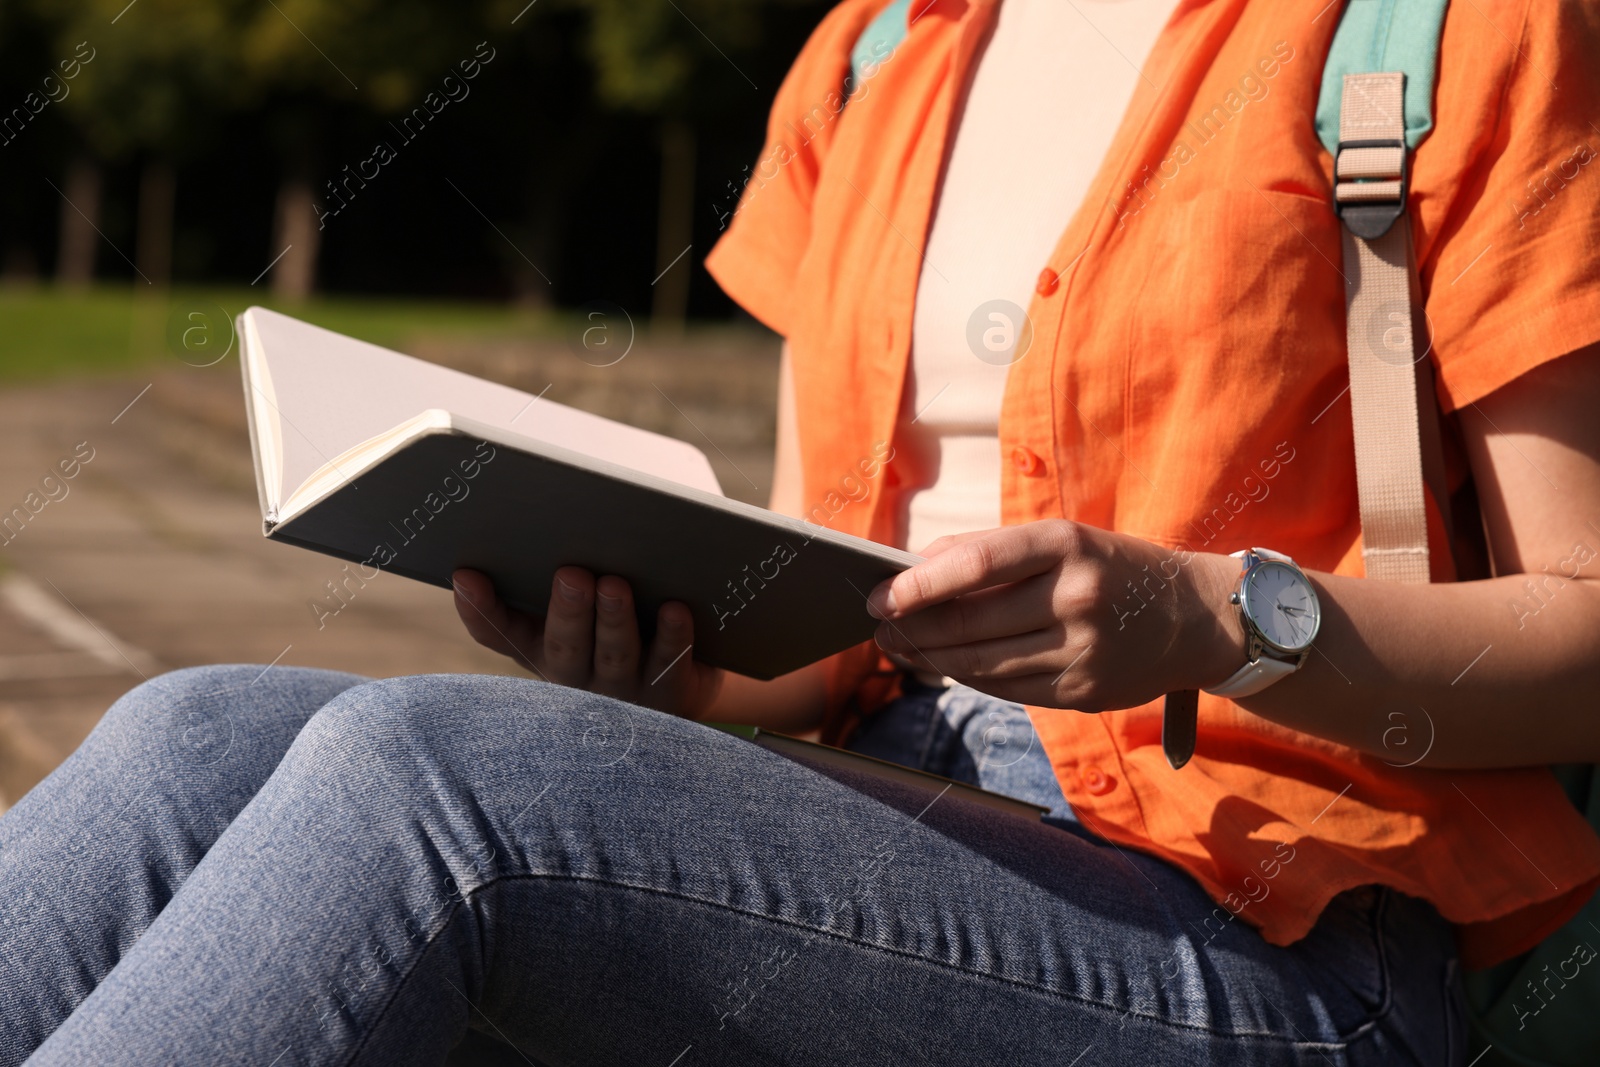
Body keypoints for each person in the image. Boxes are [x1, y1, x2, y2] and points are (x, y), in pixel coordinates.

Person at [4, 0, 1600, 1063]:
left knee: (425, 783)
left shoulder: (1455, 33)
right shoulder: (877, 52)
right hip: (883, 799)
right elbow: (824, 639)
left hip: (1279, 931)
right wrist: (673, 660)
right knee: (189, 731)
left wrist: (1208, 617)